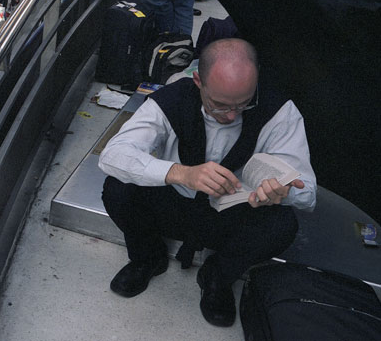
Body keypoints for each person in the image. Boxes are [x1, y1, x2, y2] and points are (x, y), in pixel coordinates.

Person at [98, 39, 316, 327]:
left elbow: (308, 193)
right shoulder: (172, 97)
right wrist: (180, 173)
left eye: (243, 104)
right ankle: (147, 257)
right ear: (198, 81)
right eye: (219, 105)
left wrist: (282, 192)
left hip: (230, 215)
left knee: (282, 225)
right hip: (175, 201)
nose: (231, 116)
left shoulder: (280, 111)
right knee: (117, 190)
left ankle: (218, 276)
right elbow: (112, 155)